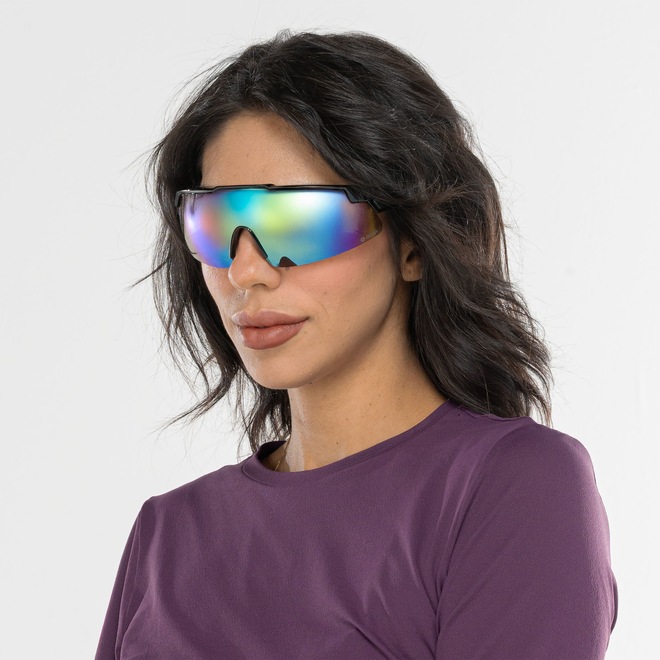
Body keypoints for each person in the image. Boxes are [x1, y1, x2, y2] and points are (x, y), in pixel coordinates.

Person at [96, 31, 617, 659]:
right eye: (214, 222)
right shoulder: (167, 535)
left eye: (296, 222)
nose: (246, 271)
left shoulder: (513, 487)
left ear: (414, 244)